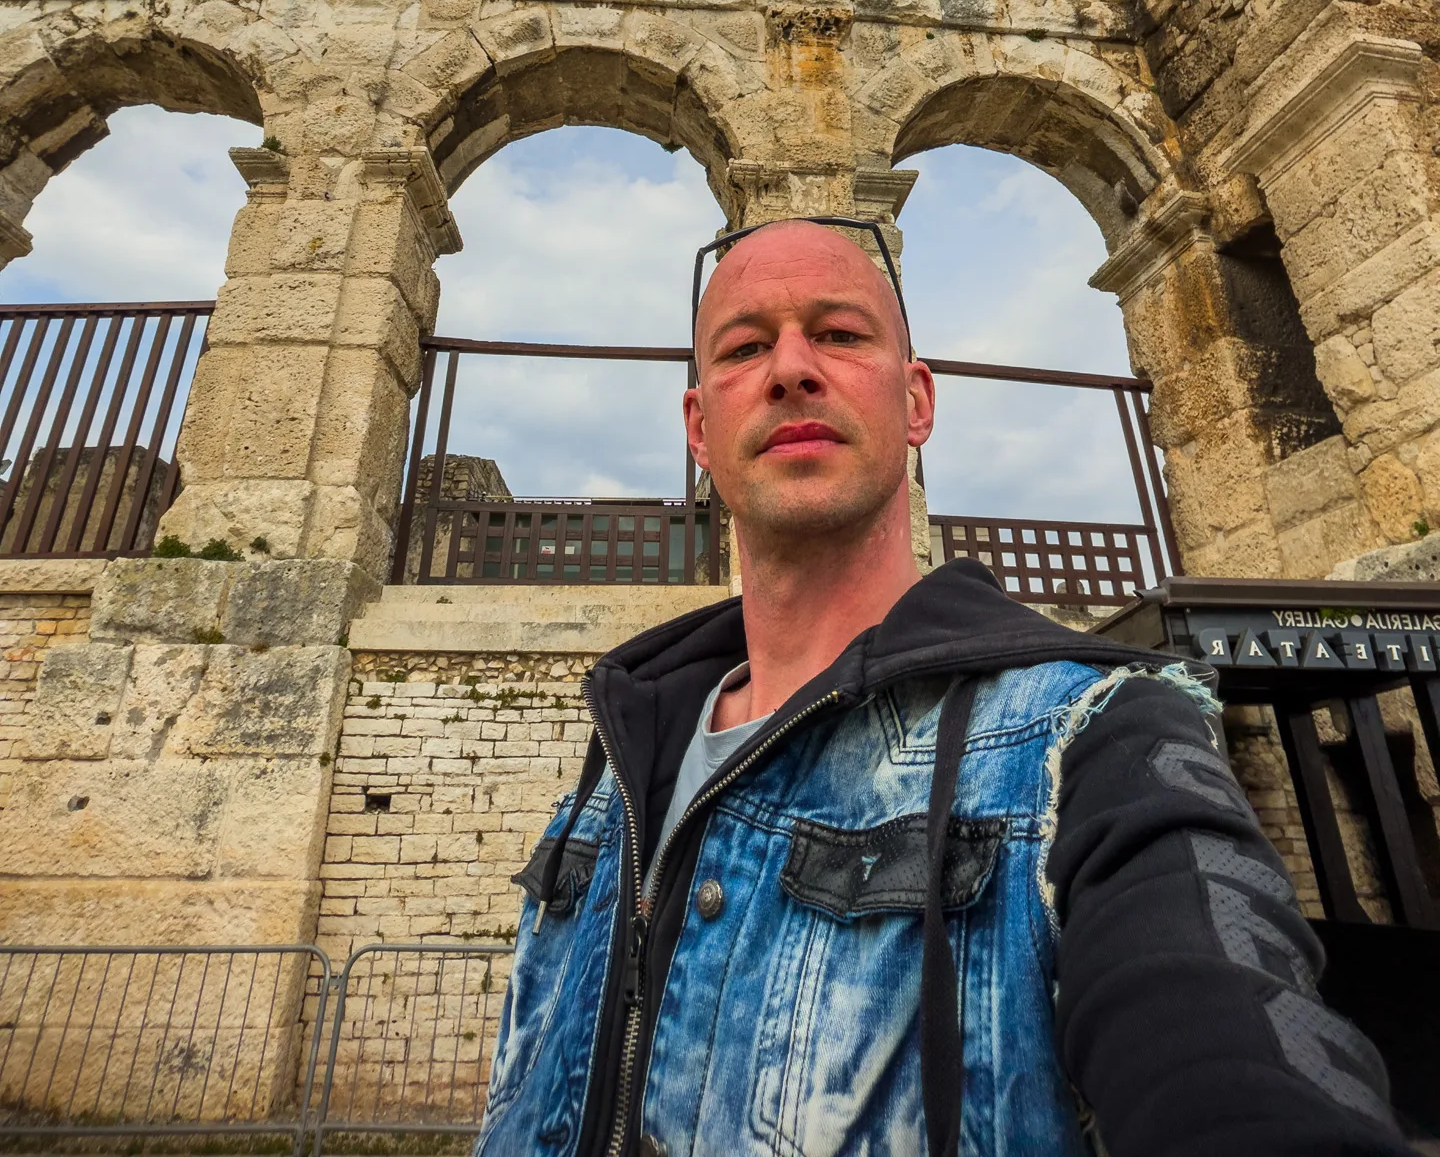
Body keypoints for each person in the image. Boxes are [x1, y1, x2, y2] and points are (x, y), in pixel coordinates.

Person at [475, 219, 1408, 1157]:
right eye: (746, 346)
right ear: (698, 429)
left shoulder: (1097, 739)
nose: (792, 368)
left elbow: (1229, 1049)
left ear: (916, 401)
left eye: (839, 335)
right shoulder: (620, 758)